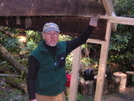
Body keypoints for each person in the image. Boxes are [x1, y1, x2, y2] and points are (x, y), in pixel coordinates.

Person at [27, 14, 101, 101]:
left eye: (55, 33)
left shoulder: (63, 47)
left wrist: (93, 22)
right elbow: (30, 78)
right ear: (43, 36)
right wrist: (32, 98)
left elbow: (81, 40)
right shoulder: (36, 55)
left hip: (59, 95)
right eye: (48, 33)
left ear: (58, 35)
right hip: (43, 95)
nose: (52, 36)